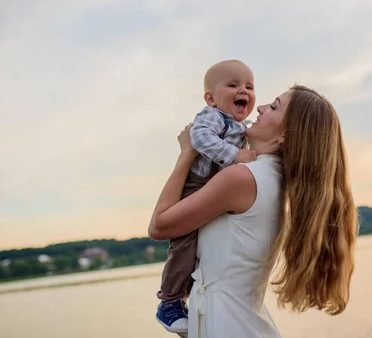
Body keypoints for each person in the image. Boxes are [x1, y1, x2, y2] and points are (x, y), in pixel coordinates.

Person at [149, 85, 359, 338]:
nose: (260, 107)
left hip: (229, 325)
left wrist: (187, 152)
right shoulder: (275, 181)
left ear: (285, 136)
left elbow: (160, 226)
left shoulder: (242, 178)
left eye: (273, 107)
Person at [155, 59, 258, 334]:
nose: (244, 91)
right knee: (185, 242)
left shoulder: (244, 126)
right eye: (233, 85)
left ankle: (195, 296)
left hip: (216, 187)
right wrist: (236, 155)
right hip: (196, 183)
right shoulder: (212, 117)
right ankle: (170, 300)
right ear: (210, 98)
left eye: (249, 86)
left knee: (207, 244)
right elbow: (199, 139)